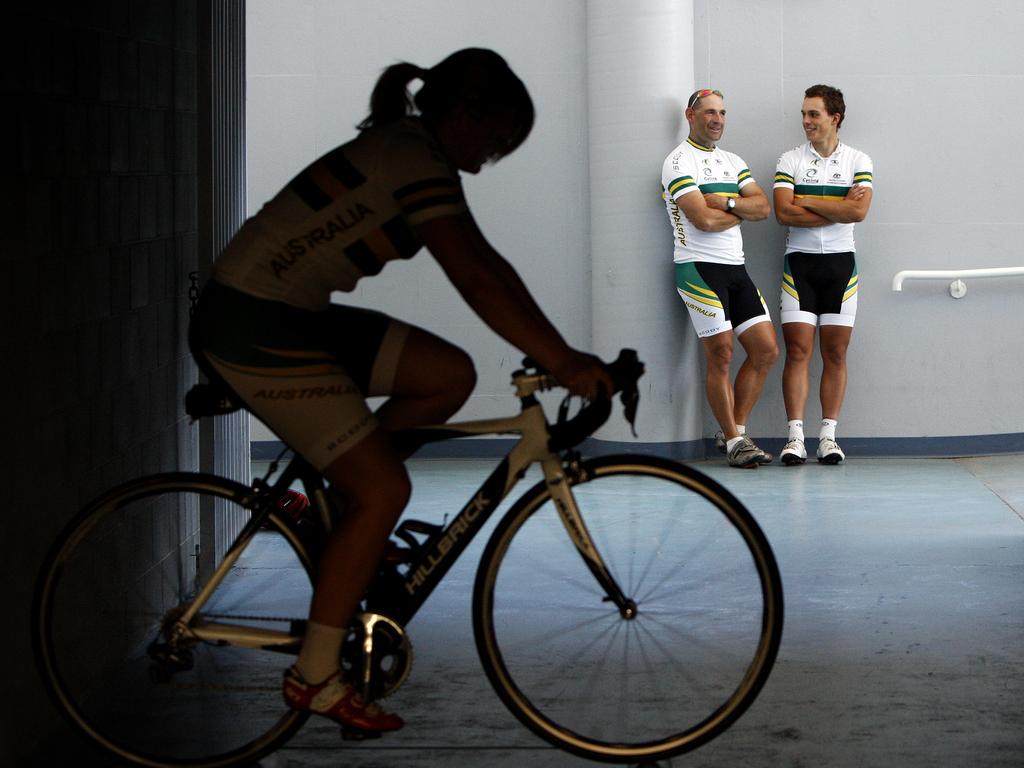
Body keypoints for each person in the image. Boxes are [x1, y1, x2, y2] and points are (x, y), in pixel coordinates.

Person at [189, 49, 612, 732]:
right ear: (465, 113)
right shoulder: (409, 154)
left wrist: (559, 353)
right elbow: (472, 274)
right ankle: (316, 676)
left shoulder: (416, 149)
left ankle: (337, 509)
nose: (489, 159)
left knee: (447, 375)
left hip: (292, 313)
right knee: (386, 492)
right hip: (252, 322)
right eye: (496, 140)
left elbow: (487, 263)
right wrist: (561, 360)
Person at [661, 89, 778, 468]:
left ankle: (735, 432)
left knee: (765, 350)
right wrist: (739, 210)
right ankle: (733, 442)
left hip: (735, 268)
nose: (717, 119)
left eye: (723, 112)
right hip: (697, 268)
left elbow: (763, 207)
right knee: (722, 354)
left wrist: (726, 203)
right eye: (709, 112)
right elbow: (703, 221)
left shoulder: (733, 160)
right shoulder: (678, 162)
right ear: (690, 115)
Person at [773, 84, 873, 465]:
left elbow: (858, 213)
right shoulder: (789, 159)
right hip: (799, 265)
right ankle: (794, 438)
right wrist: (837, 204)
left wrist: (807, 199)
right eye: (803, 114)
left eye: (813, 114)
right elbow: (784, 212)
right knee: (797, 351)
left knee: (835, 352)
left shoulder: (858, 160)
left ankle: (828, 437)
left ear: (835, 117)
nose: (805, 121)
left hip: (840, 267)